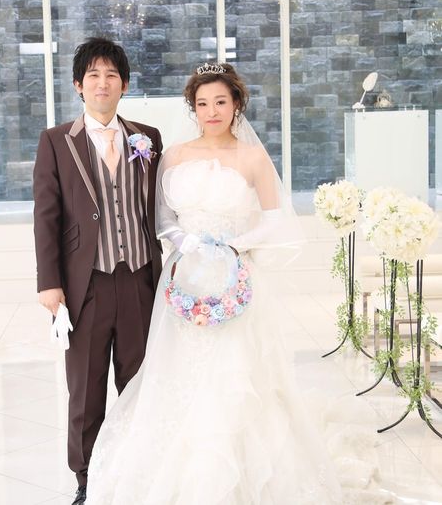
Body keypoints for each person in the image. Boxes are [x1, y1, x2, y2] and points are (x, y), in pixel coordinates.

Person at [84, 63, 393, 504]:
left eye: (220, 102)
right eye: (202, 103)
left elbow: (275, 221)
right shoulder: (174, 155)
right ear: (193, 108)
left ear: (236, 105)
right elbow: (162, 219)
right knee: (177, 374)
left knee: (235, 377)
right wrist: (185, 242)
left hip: (235, 280)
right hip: (185, 280)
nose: (211, 111)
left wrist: (233, 246)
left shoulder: (252, 158)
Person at [33, 37, 163, 505]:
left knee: (138, 383)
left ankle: (136, 470)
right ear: (78, 85)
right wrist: (49, 282)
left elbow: (158, 206)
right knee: (85, 391)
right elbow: (46, 216)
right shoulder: (56, 141)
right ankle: (87, 480)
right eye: (93, 75)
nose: (102, 83)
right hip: (83, 285)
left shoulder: (148, 138)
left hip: (139, 278)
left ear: (124, 85)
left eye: (111, 75)